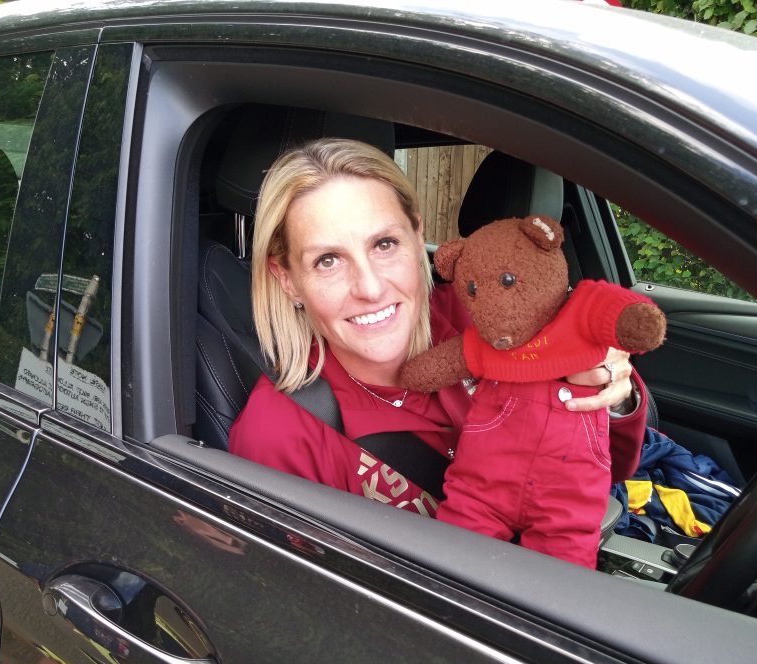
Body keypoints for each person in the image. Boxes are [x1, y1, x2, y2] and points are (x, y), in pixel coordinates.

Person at [229, 138, 647, 541]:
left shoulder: (488, 317)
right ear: (288, 281)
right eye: (328, 260)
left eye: (384, 244)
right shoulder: (279, 434)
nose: (370, 288)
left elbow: (609, 466)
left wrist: (612, 395)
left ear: (416, 237)